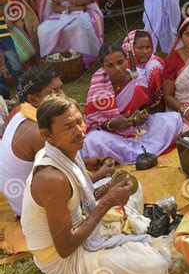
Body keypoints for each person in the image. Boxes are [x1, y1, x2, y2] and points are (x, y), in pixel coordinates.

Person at [21, 96, 170, 274]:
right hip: (64, 259)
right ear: (47, 135)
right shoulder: (52, 179)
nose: (79, 131)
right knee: (154, 265)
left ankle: (123, 234)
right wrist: (108, 201)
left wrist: (108, 188)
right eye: (68, 127)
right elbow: (65, 247)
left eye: (80, 121)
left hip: (79, 222)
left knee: (133, 186)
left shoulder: (65, 148)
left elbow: (82, 198)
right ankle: (125, 238)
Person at [0, 66, 113, 216]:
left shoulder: (23, 112)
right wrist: (100, 175)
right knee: (117, 188)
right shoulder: (41, 133)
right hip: (34, 209)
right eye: (54, 92)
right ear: (34, 99)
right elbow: (75, 184)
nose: (62, 95)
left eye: (61, 88)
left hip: (21, 200)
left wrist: (84, 163)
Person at [82, 43, 182, 164]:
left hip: (138, 129)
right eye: (110, 65)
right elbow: (94, 124)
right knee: (92, 140)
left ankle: (132, 154)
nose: (117, 69)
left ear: (126, 60)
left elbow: (144, 107)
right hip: (112, 135)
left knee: (173, 118)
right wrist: (113, 124)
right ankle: (141, 153)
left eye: (120, 62)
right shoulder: (98, 85)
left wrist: (142, 115)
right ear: (103, 67)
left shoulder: (137, 78)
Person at [37, 0, 104, 68]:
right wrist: (70, 8)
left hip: (87, 10)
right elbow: (54, 7)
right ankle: (57, 62)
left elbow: (87, 0)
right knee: (43, 29)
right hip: (63, 12)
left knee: (79, 25)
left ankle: (82, 59)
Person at [122, 30, 166, 111]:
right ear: (131, 48)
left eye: (148, 47)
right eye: (140, 48)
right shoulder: (124, 65)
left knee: (154, 68)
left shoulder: (155, 64)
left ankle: (156, 106)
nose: (145, 52)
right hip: (132, 109)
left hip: (153, 105)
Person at [0, 0, 24, 103]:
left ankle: (25, 98)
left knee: (15, 66)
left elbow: (4, 8)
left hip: (3, 35)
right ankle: (4, 100)